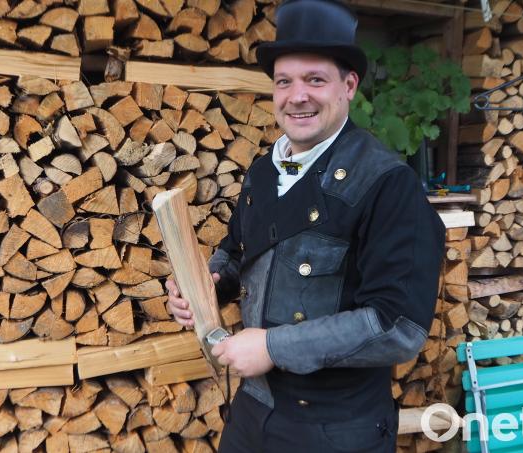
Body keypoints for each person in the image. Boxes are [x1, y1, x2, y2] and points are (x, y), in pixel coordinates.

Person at [166, 0, 446, 451]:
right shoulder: (263, 170)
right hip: (252, 414)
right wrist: (208, 285)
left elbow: (398, 327)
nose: (297, 96)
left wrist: (273, 347)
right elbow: (237, 250)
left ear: (348, 85)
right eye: (284, 82)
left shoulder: (388, 183)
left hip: (335, 429)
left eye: (315, 80)